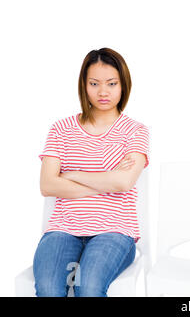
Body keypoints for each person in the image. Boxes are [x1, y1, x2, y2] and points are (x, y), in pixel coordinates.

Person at [33, 48, 149, 297]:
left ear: (123, 85)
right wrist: (106, 179)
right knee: (48, 290)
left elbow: (123, 182)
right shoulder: (61, 129)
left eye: (111, 83)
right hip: (63, 228)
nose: (103, 91)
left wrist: (72, 174)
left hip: (115, 231)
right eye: (94, 83)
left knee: (89, 288)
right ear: (84, 86)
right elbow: (47, 186)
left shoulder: (135, 131)